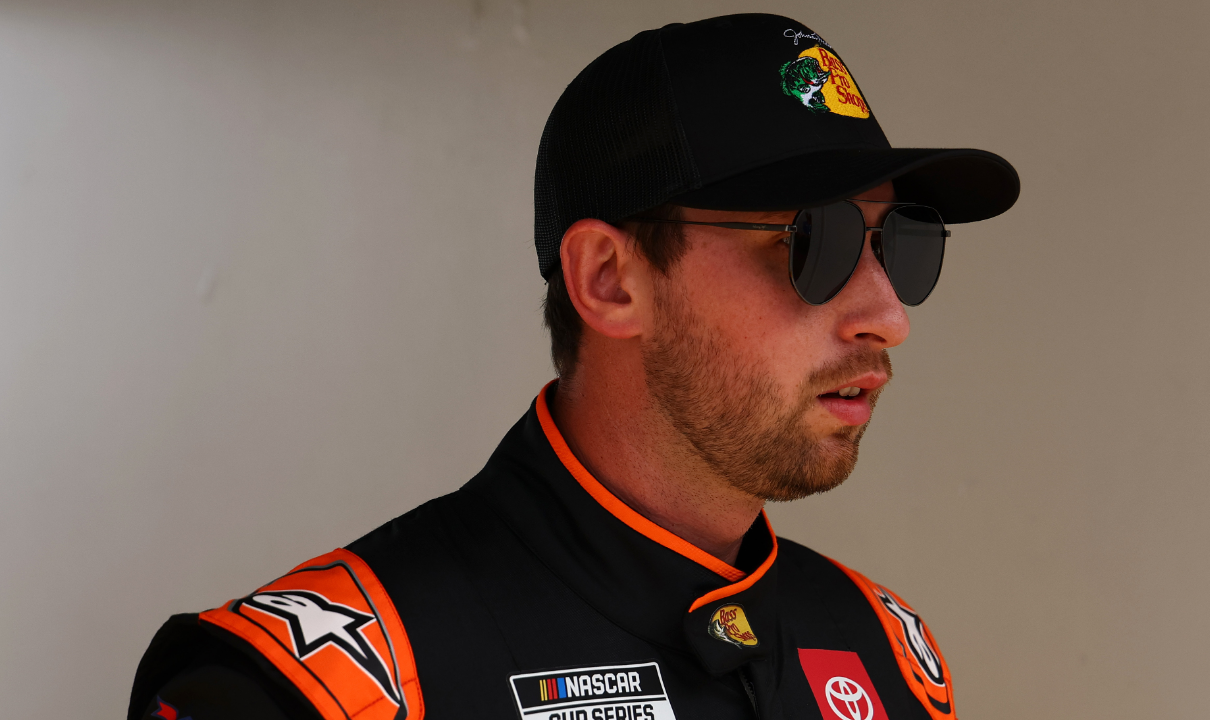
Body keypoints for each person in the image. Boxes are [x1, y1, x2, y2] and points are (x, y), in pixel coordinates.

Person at [129, 13, 1018, 720]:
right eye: (813, 243)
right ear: (609, 280)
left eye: (902, 242)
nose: (888, 318)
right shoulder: (322, 687)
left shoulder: (887, 653)